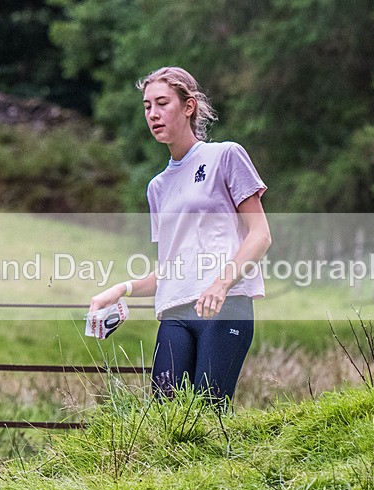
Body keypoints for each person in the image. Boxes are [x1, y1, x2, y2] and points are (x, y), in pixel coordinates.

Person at [89, 66, 271, 404]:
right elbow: (173, 268)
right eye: (147, 106)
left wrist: (222, 283)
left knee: (209, 409)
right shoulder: (157, 187)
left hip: (225, 306)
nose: (153, 114)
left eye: (162, 103)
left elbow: (260, 235)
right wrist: (122, 289)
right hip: (175, 312)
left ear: (188, 107)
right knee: (164, 412)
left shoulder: (225, 156)